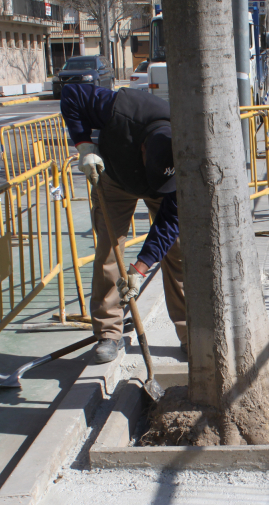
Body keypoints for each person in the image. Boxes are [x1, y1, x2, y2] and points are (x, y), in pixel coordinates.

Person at [60, 83, 186, 363]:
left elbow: (169, 221)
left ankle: (189, 331)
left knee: (178, 250)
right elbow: (71, 94)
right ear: (142, 148)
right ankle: (108, 332)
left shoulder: (186, 146)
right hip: (115, 177)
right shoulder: (122, 109)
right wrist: (84, 145)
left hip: (163, 192)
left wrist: (140, 270)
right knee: (108, 249)